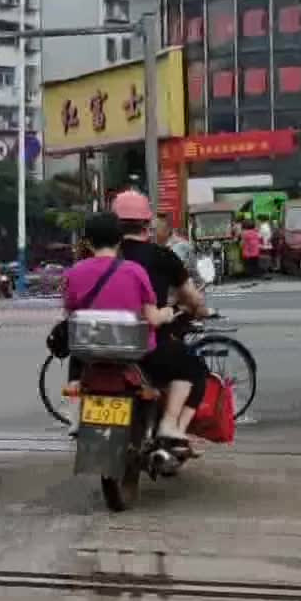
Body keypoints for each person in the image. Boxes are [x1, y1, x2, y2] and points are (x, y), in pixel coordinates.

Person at [109, 190, 211, 450]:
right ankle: (170, 425)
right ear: (147, 223)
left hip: (103, 345)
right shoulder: (162, 256)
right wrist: (198, 309)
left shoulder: (100, 260)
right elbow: (191, 297)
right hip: (148, 346)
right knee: (195, 368)